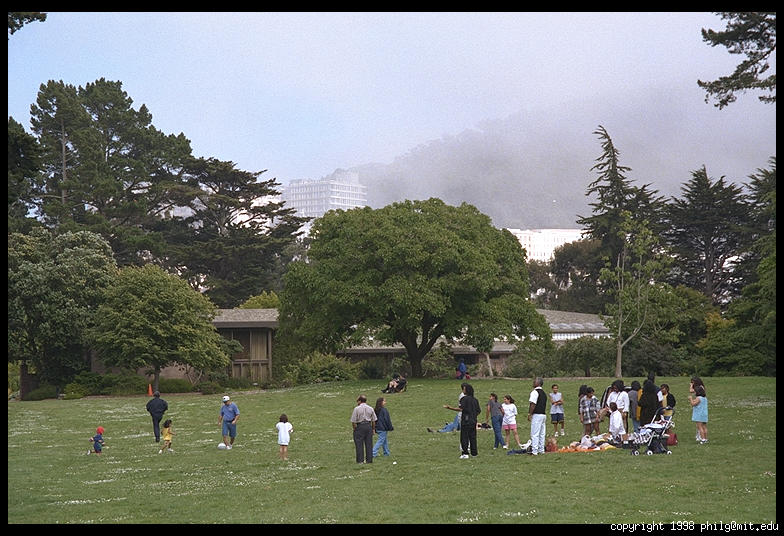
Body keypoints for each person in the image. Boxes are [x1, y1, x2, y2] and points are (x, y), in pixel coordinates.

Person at [448, 383, 480, 458]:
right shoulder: (475, 400)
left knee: (464, 437)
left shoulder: (464, 399)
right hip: (473, 421)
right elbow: (478, 411)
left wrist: (450, 408)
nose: (463, 391)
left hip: (466, 421)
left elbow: (460, 409)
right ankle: (474, 453)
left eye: (464, 389)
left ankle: (465, 453)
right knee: (473, 437)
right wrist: (473, 416)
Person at [351, 394, 377, 463]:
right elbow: (374, 420)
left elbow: (353, 421)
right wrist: (373, 429)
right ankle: (369, 460)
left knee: (359, 444)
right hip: (368, 426)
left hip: (360, 426)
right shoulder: (370, 408)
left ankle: (360, 460)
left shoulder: (356, 409)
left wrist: (355, 428)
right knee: (369, 444)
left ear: (360, 401)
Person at [528, 377, 547, 455]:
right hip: (543, 414)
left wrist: (530, 413)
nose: (533, 382)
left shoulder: (534, 392)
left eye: (535, 381)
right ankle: (541, 449)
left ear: (538, 383)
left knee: (535, 433)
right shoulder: (544, 393)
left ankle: (534, 451)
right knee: (542, 434)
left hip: (537, 414)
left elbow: (533, 404)